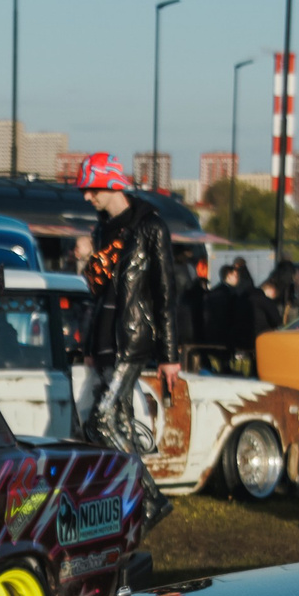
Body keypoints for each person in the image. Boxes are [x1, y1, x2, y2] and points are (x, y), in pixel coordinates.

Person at [75, 153, 184, 455]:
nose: (87, 196)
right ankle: (135, 496)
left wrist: (169, 355)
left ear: (111, 185)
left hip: (131, 339)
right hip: (104, 339)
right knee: (120, 422)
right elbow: (98, 294)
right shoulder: (100, 229)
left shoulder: (150, 227)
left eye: (93, 189)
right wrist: (88, 346)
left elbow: (165, 292)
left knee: (101, 422)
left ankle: (149, 499)